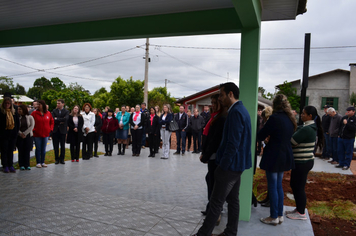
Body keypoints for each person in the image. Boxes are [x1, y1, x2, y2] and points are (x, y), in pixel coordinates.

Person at [193, 82, 252, 236]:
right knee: (233, 200)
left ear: (230, 94)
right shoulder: (241, 110)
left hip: (230, 166)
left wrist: (222, 166)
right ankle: (231, 232)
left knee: (215, 203)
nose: (219, 98)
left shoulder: (235, 112)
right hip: (236, 165)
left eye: (221, 95)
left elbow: (233, 144)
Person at [257, 94, 297, 226]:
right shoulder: (290, 118)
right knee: (278, 185)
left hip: (274, 154)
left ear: (275, 105)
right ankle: (279, 215)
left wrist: (266, 137)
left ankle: (273, 216)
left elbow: (261, 135)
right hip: (285, 154)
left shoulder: (274, 118)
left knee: (273, 186)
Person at [287, 106, 324, 221]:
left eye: (303, 113)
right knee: (295, 185)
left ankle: (301, 212)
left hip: (303, 162)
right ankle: (298, 208)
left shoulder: (306, 129)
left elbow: (292, 141)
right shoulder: (307, 127)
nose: (301, 115)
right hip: (302, 161)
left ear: (310, 116)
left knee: (298, 187)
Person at [199, 94, 227, 217]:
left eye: (215, 103)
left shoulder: (221, 118)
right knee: (210, 180)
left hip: (214, 156)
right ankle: (212, 206)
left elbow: (214, 140)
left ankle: (214, 210)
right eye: (212, 103)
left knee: (213, 182)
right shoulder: (215, 116)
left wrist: (205, 155)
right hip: (211, 155)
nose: (213, 105)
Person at [31, 100, 54, 168]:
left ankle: (42, 161)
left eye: (39, 104)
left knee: (43, 149)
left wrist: (50, 129)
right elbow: (31, 122)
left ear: (43, 105)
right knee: (38, 148)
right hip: (37, 134)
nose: (38, 106)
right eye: (37, 104)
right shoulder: (34, 113)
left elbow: (52, 122)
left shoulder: (48, 113)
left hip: (46, 134)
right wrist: (34, 130)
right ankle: (38, 162)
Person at [0, 97, 19, 173]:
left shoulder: (14, 112)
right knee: (4, 151)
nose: (7, 105)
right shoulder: (1, 112)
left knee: (10, 150)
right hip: (3, 135)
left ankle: (10, 165)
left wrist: (16, 132)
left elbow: (17, 123)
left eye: (8, 103)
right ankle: (5, 165)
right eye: (6, 103)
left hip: (12, 135)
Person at [16, 105, 35, 170]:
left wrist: (25, 133)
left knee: (27, 150)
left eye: (20, 109)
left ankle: (27, 164)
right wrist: (20, 133)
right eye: (18, 109)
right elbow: (16, 127)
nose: (19, 111)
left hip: (28, 136)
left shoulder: (30, 117)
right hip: (19, 136)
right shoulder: (17, 118)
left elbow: (31, 126)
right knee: (21, 150)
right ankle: (21, 164)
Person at [51, 99, 69, 165]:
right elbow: (53, 119)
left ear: (63, 104)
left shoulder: (66, 111)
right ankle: (56, 159)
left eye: (59, 103)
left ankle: (62, 159)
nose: (57, 104)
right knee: (55, 146)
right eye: (57, 103)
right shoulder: (54, 111)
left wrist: (57, 119)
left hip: (62, 131)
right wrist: (60, 120)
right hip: (55, 131)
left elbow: (66, 119)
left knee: (62, 146)